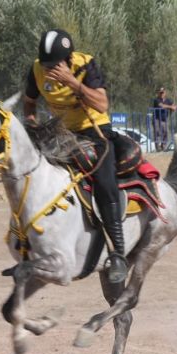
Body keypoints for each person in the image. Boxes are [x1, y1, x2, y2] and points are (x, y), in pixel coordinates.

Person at [23, 29, 127, 284]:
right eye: (46, 64)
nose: (49, 69)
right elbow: (29, 101)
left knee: (104, 183)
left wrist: (73, 82)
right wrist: (32, 124)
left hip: (94, 133)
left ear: (68, 60)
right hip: (60, 135)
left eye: (55, 65)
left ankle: (118, 254)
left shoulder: (85, 65)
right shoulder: (36, 69)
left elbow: (102, 104)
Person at [152, 87, 177, 151]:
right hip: (156, 119)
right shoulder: (156, 100)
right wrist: (170, 107)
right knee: (157, 132)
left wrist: (174, 107)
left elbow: (175, 106)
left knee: (165, 132)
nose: (161, 94)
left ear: (165, 93)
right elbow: (161, 106)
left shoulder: (168, 100)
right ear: (158, 93)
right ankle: (158, 148)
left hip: (164, 119)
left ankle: (163, 146)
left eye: (162, 92)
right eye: (160, 93)